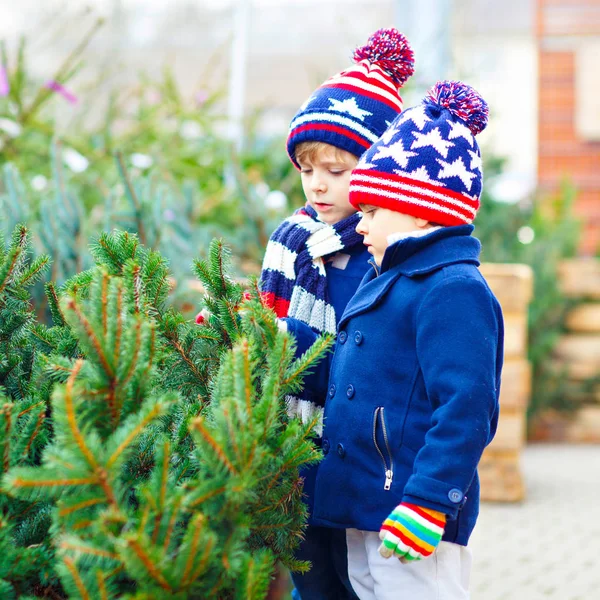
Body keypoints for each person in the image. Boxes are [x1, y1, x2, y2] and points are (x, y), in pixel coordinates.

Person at [281, 81, 504, 600]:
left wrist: (430, 500)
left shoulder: (453, 291)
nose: (362, 228)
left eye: (374, 214)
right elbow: (344, 371)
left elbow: (466, 409)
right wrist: (276, 339)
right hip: (363, 503)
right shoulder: (388, 280)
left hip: (409, 508)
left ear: (421, 212)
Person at [260, 28, 415, 600]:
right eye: (307, 168)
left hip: (357, 452)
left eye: (339, 169)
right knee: (310, 579)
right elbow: (268, 318)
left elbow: (372, 355)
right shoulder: (294, 242)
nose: (318, 184)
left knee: (357, 582)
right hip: (298, 447)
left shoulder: (383, 253)